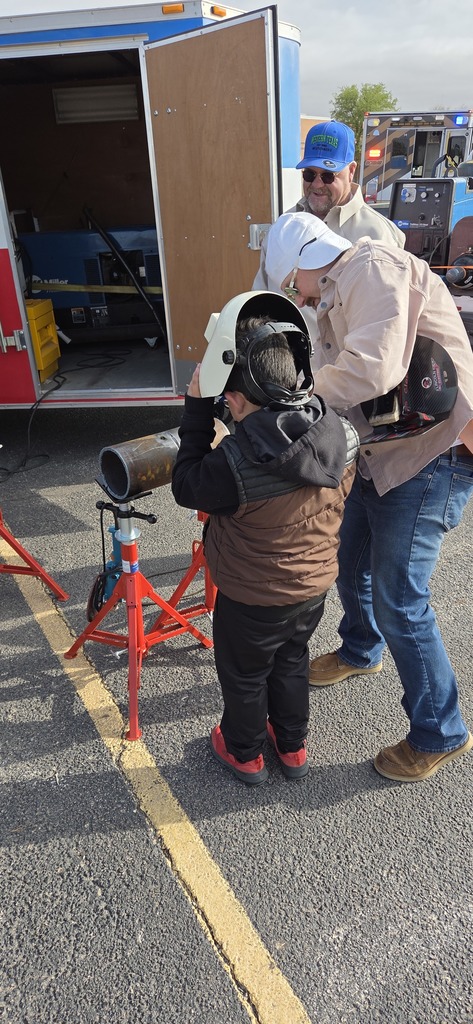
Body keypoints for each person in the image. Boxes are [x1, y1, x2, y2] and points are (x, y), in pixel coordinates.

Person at [264, 209, 473, 783]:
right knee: (346, 558)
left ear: (306, 259)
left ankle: (440, 731)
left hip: (434, 454)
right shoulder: (338, 292)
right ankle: (360, 650)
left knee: (399, 600)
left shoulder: (369, 268)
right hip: (389, 452)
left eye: (291, 284)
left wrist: (293, 401)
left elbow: (375, 367)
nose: (296, 296)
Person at [171, 296, 358, 785]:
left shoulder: (233, 462)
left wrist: (196, 411)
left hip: (252, 597)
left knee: (245, 675)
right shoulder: (337, 430)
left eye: (225, 397)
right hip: (313, 589)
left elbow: (186, 486)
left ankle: (245, 753)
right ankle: (292, 747)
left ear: (235, 396)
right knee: (291, 660)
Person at [253, 119, 405, 298]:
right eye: (310, 174)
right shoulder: (283, 226)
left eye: (328, 176)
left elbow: (388, 312)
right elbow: (260, 294)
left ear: (351, 171)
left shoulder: (380, 235)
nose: (317, 184)